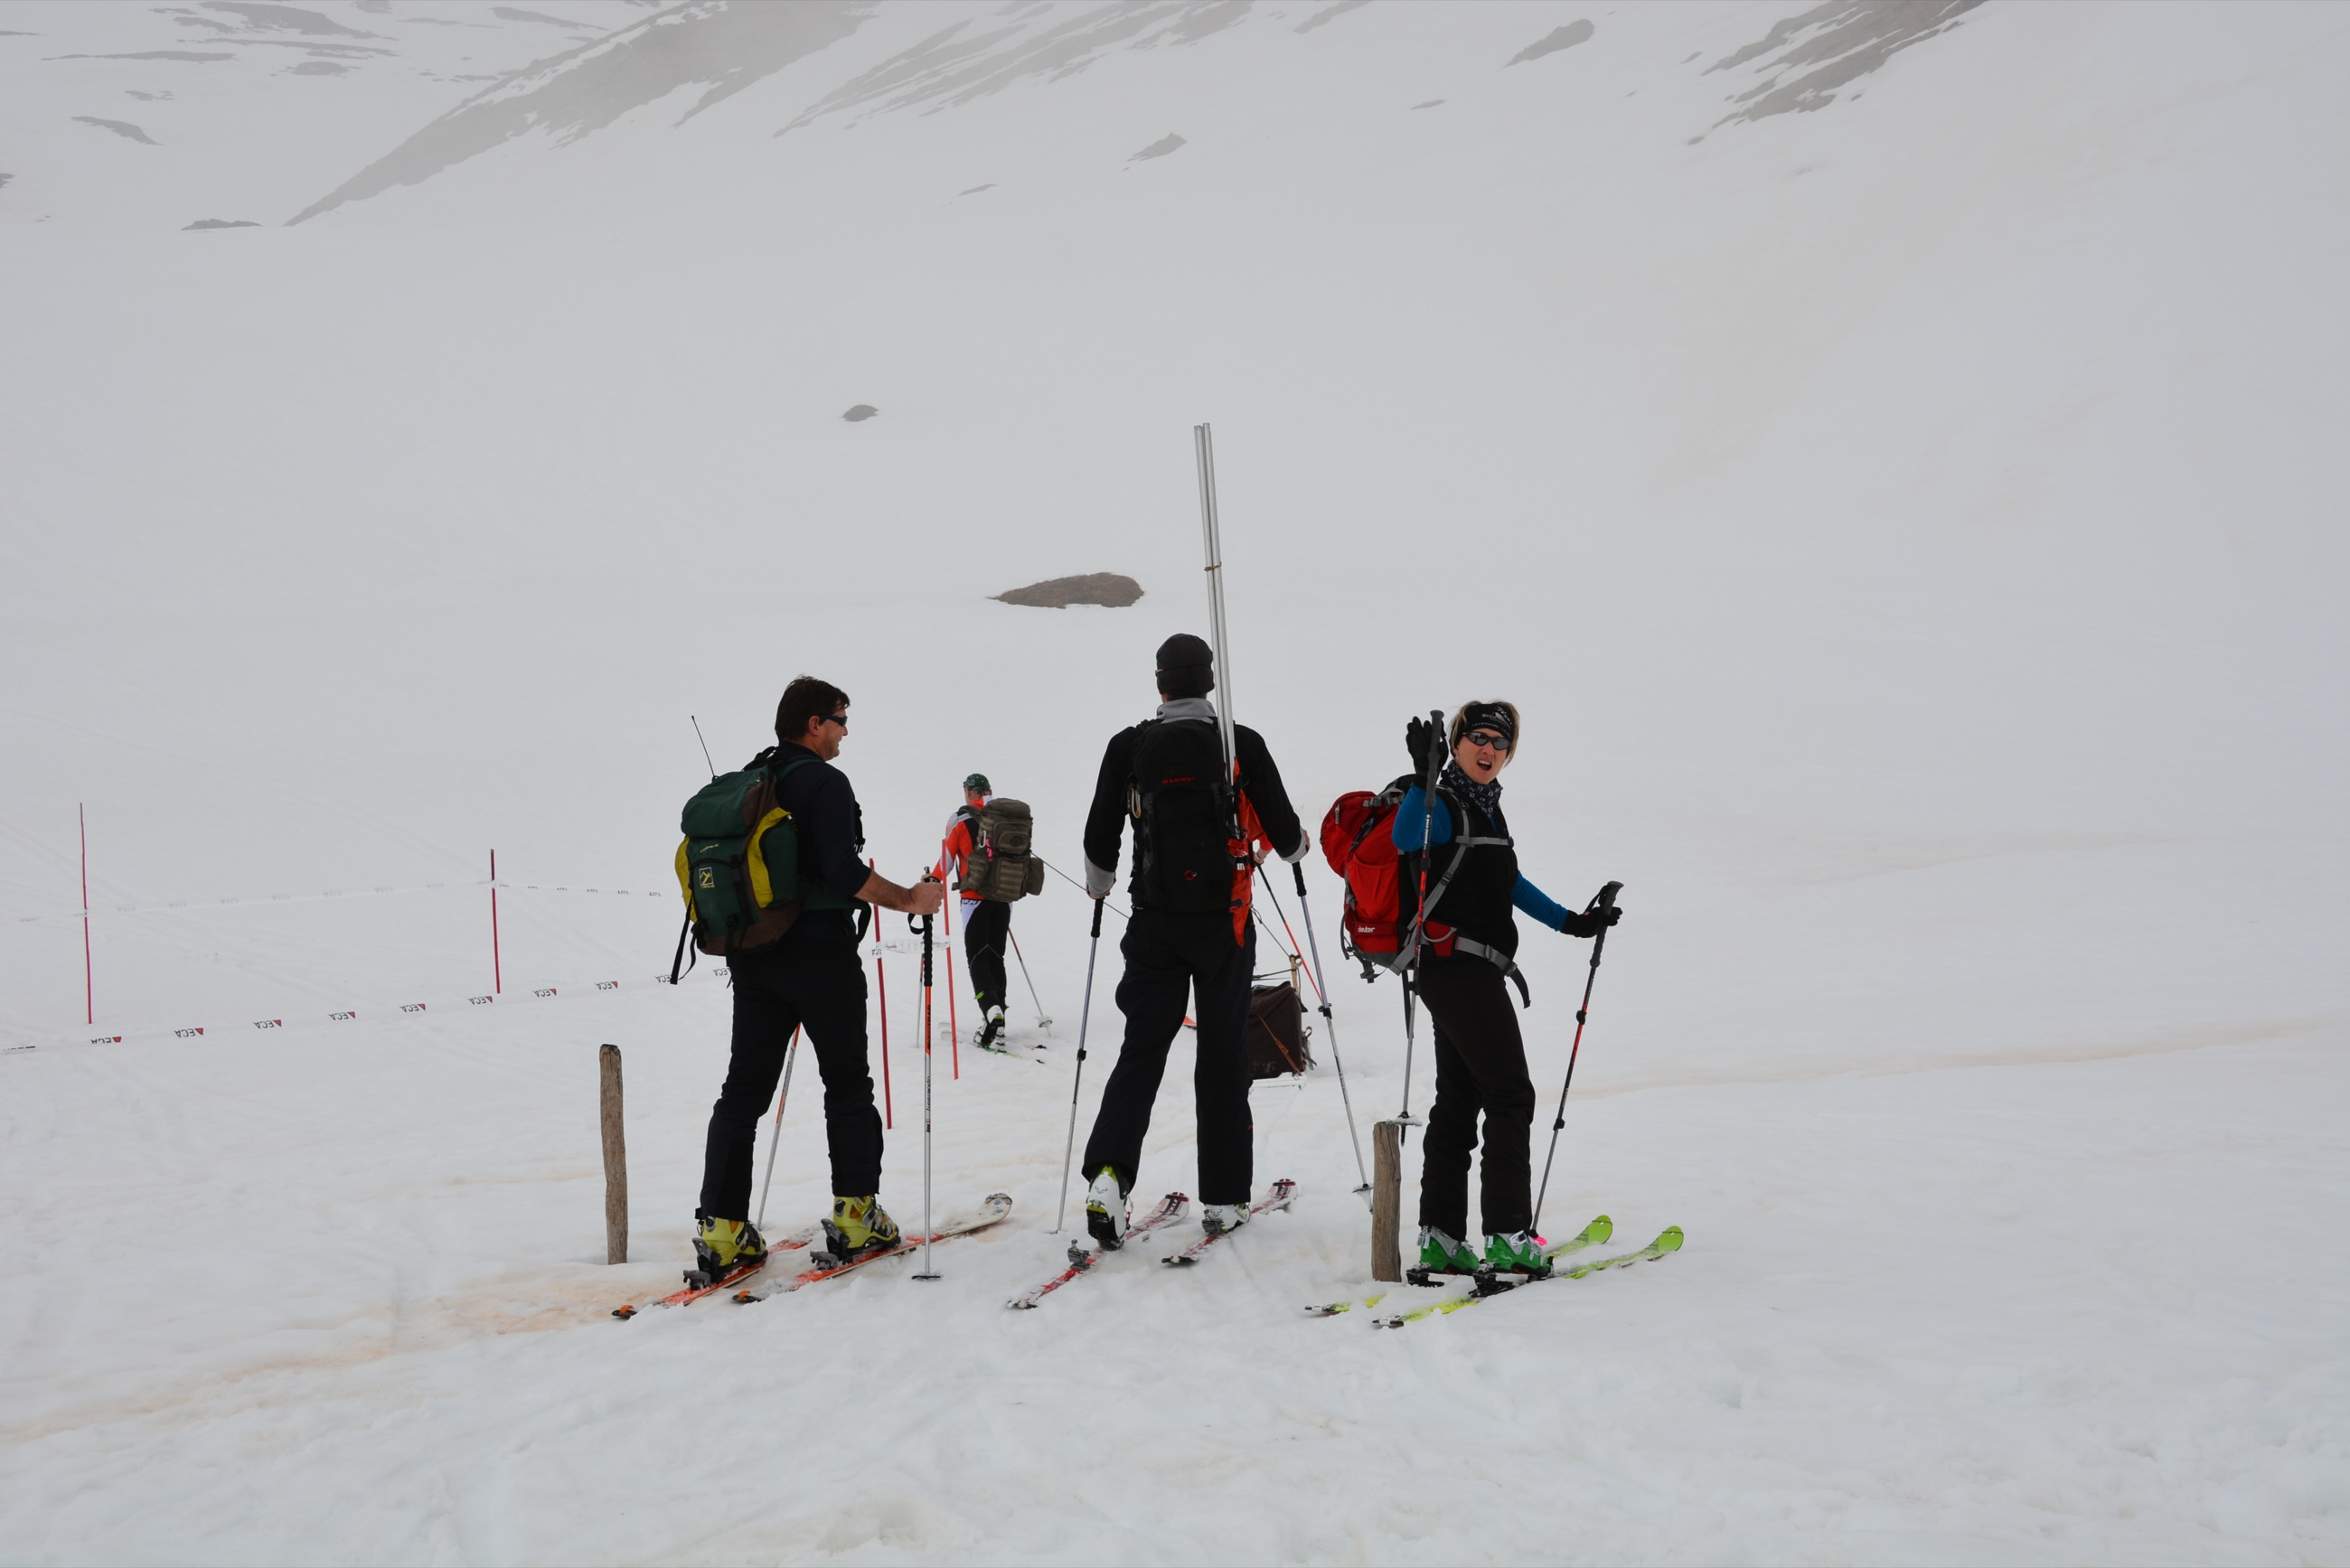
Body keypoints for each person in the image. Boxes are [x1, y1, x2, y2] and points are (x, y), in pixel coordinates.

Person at [691, 675, 945, 1278]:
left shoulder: (756, 779)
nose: (845, 732)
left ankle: (722, 1229)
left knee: (742, 1092)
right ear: (814, 723)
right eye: (840, 719)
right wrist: (911, 899)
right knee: (848, 1084)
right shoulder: (824, 782)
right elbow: (843, 870)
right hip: (820, 955)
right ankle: (856, 1215)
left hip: (755, 955)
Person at [1077, 634, 1308, 1245]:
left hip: (1153, 923)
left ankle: (1108, 1176)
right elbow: (1288, 838)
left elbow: (1099, 841)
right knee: (1223, 1052)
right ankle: (1225, 1198)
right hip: (1224, 926)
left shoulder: (1128, 746)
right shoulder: (1239, 742)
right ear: (1209, 680)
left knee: (1142, 1048)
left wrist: (1101, 888)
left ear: (1160, 684)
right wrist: (1297, 847)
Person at [1394, 700, 1623, 1279]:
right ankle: (1507, 1235)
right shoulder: (1444, 803)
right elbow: (1406, 837)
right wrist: (1423, 778)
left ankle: (1442, 1237)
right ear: (1456, 743)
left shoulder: (1487, 812)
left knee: (1459, 1100)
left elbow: (1509, 882)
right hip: (1457, 970)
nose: (1489, 749)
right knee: (1511, 1095)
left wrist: (1572, 922)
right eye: (1478, 737)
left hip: (1463, 972)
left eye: (1500, 742)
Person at [936, 773, 1013, 1052]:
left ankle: (990, 1008)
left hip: (974, 900)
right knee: (996, 956)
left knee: (977, 957)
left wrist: (930, 880)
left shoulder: (959, 820)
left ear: (970, 793)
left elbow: (946, 861)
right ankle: (999, 1019)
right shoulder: (1007, 818)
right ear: (989, 790)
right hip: (1004, 898)